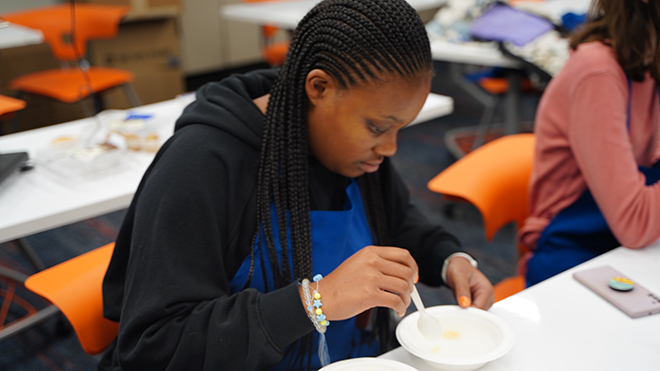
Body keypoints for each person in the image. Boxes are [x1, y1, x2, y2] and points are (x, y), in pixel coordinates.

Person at [98, 1, 494, 370]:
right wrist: (314, 303)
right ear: (319, 88)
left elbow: (394, 219)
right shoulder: (201, 165)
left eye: (400, 130)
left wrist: (449, 258)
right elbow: (155, 345)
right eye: (377, 127)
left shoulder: (353, 152)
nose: (389, 148)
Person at [519, 0, 660, 286]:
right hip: (574, 253)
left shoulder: (650, 62)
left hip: (624, 244)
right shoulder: (598, 73)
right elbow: (635, 223)